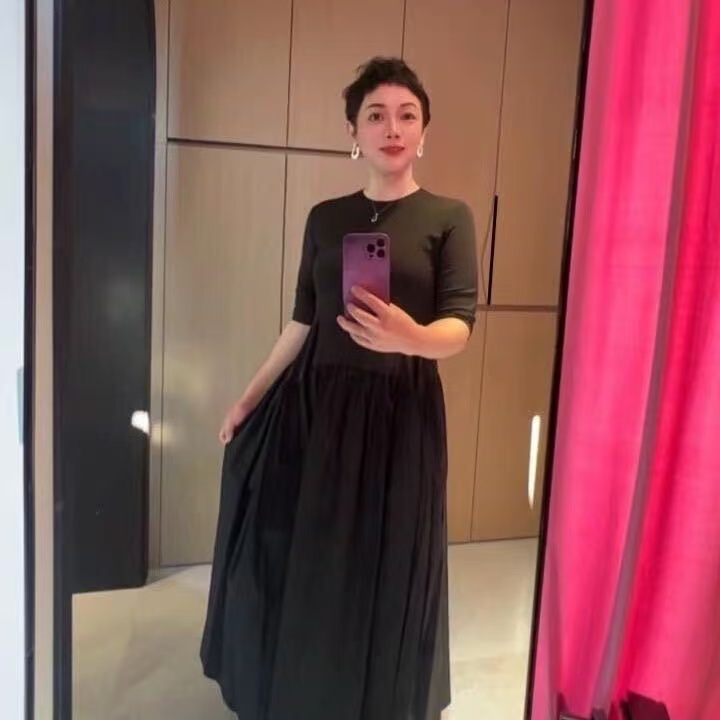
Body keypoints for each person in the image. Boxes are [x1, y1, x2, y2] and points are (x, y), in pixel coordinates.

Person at [200, 56, 478, 720]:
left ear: (424, 131)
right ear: (353, 131)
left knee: (386, 560)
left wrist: (410, 336)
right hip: (315, 409)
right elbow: (302, 322)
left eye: (407, 115)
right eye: (376, 115)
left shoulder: (449, 217)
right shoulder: (326, 218)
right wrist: (249, 398)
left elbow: (459, 327)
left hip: (401, 414)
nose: (392, 128)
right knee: (308, 555)